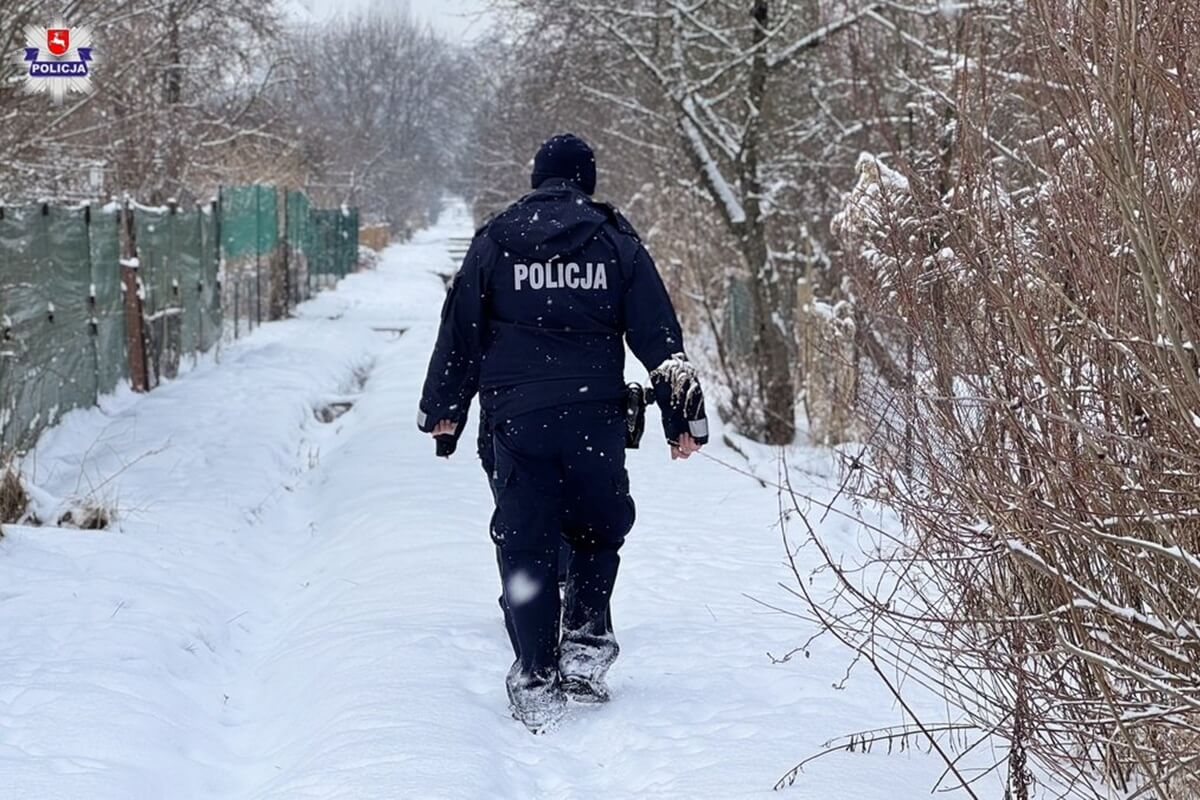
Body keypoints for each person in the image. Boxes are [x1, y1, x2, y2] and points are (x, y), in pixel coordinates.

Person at [417, 133, 708, 733]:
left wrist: (444, 409)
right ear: (587, 180)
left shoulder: (497, 239)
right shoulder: (615, 241)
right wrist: (682, 418)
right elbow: (659, 336)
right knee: (597, 531)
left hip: (518, 419)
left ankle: (535, 674)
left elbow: (461, 329)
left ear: (536, 179)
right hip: (593, 417)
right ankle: (584, 645)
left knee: (524, 540)